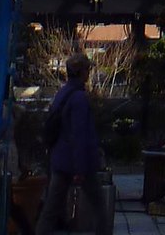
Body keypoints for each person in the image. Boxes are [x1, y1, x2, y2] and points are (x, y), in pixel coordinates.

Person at [39, 54, 112, 235]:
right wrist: (80, 169)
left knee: (51, 207)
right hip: (78, 163)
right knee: (99, 206)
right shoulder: (79, 98)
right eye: (88, 69)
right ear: (81, 72)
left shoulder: (62, 93)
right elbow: (80, 135)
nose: (89, 73)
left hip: (60, 158)